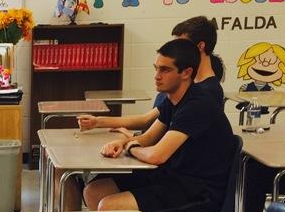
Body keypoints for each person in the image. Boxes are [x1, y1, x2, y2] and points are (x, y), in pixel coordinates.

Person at [83, 39, 236, 212]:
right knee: (95, 190)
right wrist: (122, 142)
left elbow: (157, 155)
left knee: (109, 206)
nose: (156, 76)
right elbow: (149, 138)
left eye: (165, 70)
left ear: (186, 73)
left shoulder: (198, 104)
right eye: (156, 68)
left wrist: (131, 147)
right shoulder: (171, 100)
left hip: (199, 191)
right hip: (172, 178)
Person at [77, 16, 224, 134]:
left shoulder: (205, 94)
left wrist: (132, 140)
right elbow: (147, 120)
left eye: (180, 44)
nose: (157, 76)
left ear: (200, 46)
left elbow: (165, 146)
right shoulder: (186, 87)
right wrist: (98, 122)